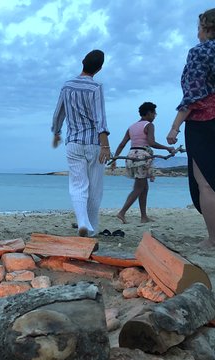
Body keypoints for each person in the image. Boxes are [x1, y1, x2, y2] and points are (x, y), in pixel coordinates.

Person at [167, 8, 215, 248]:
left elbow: (194, 94)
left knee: (205, 183)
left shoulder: (199, 52)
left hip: (204, 122)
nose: (197, 32)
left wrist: (175, 127)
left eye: (199, 27)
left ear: (207, 27)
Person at [51, 50, 111, 237]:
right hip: (94, 143)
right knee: (95, 187)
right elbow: (100, 119)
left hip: (73, 143)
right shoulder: (96, 87)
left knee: (78, 185)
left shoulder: (66, 86)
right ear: (100, 68)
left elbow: (58, 113)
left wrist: (56, 132)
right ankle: (90, 229)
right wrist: (106, 146)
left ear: (82, 62)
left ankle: (82, 222)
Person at [112, 102, 175, 224]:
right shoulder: (149, 125)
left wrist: (115, 159)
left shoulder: (132, 127)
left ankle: (144, 216)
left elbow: (122, 144)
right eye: (154, 113)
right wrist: (167, 148)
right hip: (142, 157)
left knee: (144, 187)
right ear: (149, 113)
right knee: (138, 188)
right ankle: (122, 213)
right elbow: (151, 142)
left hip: (131, 156)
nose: (155, 115)